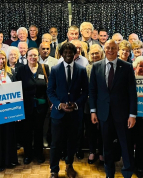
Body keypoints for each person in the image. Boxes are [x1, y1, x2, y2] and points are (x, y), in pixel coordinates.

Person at [89, 39, 137, 178]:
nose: (110, 50)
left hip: (123, 115)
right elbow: (92, 91)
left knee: (126, 146)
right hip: (104, 114)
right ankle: (109, 173)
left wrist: (132, 114)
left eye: (113, 48)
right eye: (108, 47)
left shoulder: (127, 67)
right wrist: (93, 111)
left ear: (117, 50)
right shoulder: (96, 66)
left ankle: (127, 172)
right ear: (104, 49)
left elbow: (132, 93)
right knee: (107, 146)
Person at [47, 42, 88, 178]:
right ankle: (54, 170)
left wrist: (76, 104)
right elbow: (50, 91)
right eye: (65, 52)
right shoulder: (55, 69)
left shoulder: (81, 70)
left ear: (75, 53)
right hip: (58, 113)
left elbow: (85, 92)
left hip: (75, 114)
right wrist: (59, 104)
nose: (68, 54)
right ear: (61, 54)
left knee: (72, 142)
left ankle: (69, 165)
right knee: (56, 143)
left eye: (71, 52)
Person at [15, 48, 50, 164]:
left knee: (39, 131)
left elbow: (48, 88)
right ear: (27, 57)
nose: (33, 57)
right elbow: (17, 88)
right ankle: (28, 154)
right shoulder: (21, 70)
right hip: (26, 106)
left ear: (38, 56)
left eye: (35, 55)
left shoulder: (44, 68)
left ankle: (39, 154)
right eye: (30, 55)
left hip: (41, 107)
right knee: (27, 132)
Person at [85, 44, 104, 164]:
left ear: (101, 54)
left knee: (103, 129)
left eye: (97, 53)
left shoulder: (105, 66)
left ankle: (102, 152)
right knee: (90, 129)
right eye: (92, 53)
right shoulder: (87, 68)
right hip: (89, 102)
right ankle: (92, 151)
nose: (94, 55)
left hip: (103, 103)